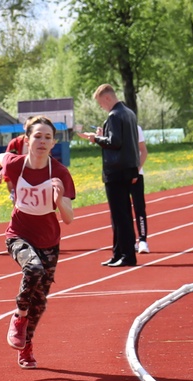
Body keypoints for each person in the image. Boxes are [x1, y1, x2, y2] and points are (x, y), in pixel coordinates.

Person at [0, 115, 76, 370]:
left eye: (47, 137)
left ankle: (26, 344)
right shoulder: (16, 164)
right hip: (18, 234)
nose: (42, 141)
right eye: (37, 136)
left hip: (49, 240)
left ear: (53, 143)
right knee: (33, 268)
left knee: (40, 300)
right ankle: (19, 316)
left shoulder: (60, 173)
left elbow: (69, 218)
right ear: (27, 140)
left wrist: (59, 199)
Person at [79, 84, 140, 267]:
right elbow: (125, 141)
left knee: (119, 216)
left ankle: (127, 255)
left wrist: (95, 138)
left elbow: (115, 142)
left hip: (116, 170)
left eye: (101, 103)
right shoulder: (129, 113)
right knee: (122, 214)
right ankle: (118, 253)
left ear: (107, 98)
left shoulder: (114, 115)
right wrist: (103, 135)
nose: (101, 107)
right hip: (128, 168)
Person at [133, 125, 150, 254]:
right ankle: (130, 240)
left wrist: (136, 170)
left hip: (136, 174)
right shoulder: (111, 126)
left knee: (139, 207)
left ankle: (142, 240)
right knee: (124, 210)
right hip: (119, 175)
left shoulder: (135, 128)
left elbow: (143, 151)